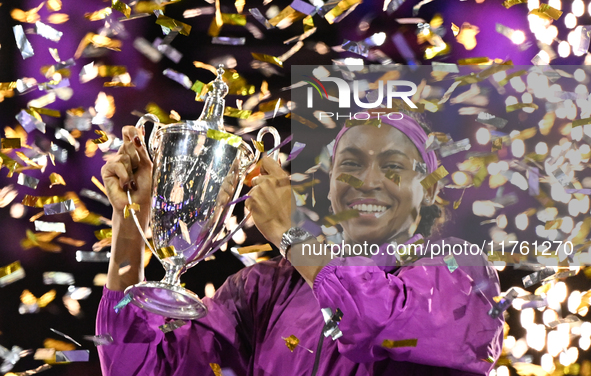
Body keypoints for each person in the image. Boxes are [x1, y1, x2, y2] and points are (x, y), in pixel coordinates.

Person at [97, 113, 504, 376]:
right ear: (329, 187)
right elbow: (135, 369)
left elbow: (374, 320)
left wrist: (293, 236)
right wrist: (130, 226)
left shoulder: (461, 273)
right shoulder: (264, 289)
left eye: (394, 166)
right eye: (351, 164)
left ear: (429, 191)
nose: (368, 180)